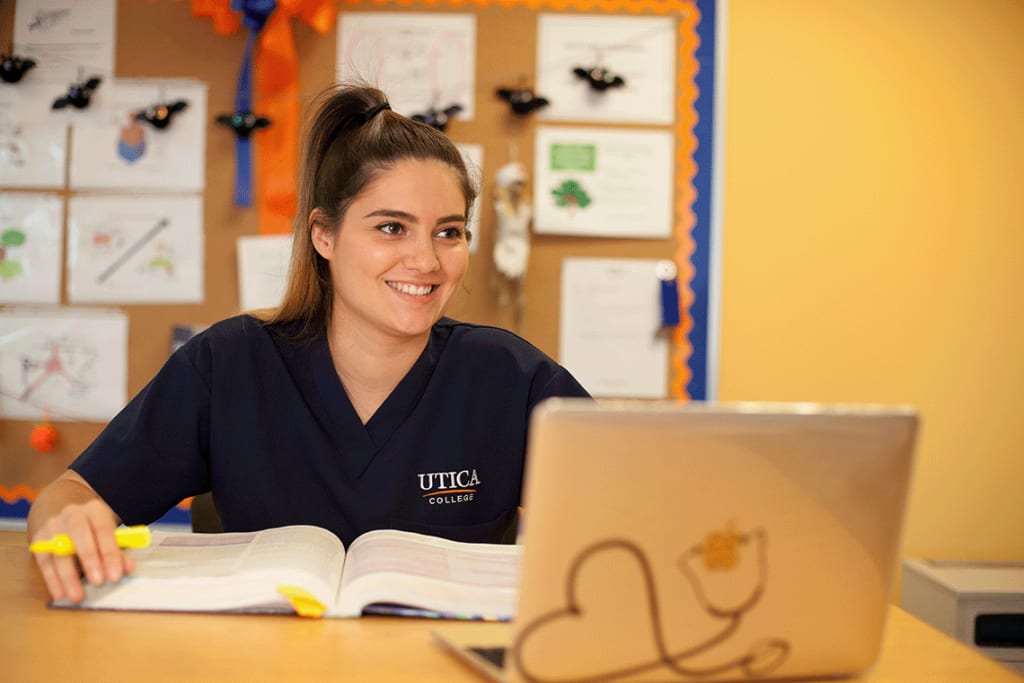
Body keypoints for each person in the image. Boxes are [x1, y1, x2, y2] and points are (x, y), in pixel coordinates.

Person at [27, 83, 590, 604]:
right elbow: (72, 493)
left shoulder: (510, 378)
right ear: (324, 234)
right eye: (391, 227)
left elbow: (635, 516)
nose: (426, 260)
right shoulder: (228, 363)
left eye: (449, 232)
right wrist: (69, 520)